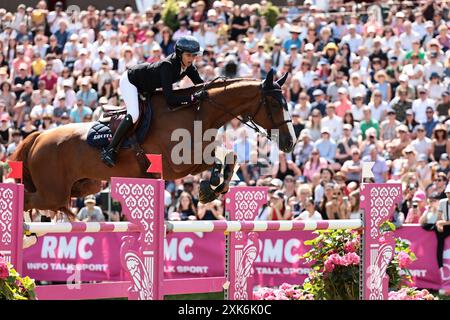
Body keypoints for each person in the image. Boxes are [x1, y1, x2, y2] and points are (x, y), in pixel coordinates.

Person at [101, 36, 206, 167]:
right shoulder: (167, 66)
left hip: (147, 87)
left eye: (194, 55)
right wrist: (192, 98)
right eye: (188, 55)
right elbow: (170, 99)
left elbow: (201, 85)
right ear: (180, 54)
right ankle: (110, 150)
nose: (191, 58)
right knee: (134, 114)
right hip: (131, 81)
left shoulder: (188, 66)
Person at [436, 184, 450, 279]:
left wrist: (441, 223)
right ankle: (440, 267)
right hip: (446, 225)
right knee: (439, 242)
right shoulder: (442, 202)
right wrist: (438, 224)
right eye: (448, 193)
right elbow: (439, 216)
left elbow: (441, 220)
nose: (449, 195)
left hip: (445, 224)